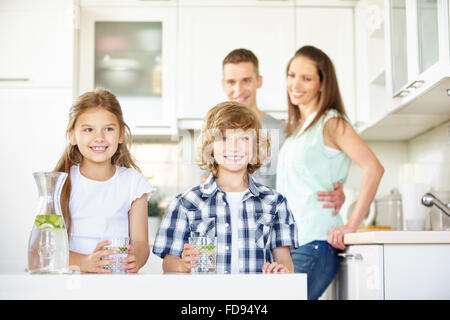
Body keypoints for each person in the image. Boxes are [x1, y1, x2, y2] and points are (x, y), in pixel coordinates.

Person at [276, 46, 385, 299]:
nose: (295, 84)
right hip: (294, 244)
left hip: (315, 243)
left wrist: (351, 224)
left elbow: (374, 167)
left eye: (306, 78)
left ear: (322, 84)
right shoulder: (298, 129)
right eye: (291, 75)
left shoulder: (331, 122)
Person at [153, 101, 298, 274]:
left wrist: (280, 270)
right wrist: (183, 265)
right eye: (223, 138)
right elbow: (168, 265)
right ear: (210, 147)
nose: (234, 147)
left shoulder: (275, 203)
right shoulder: (186, 203)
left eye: (244, 138)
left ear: (256, 145)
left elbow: (285, 263)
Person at [201, 48, 345, 215]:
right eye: (231, 82)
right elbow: (206, 188)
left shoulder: (285, 131)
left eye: (246, 80)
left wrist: (336, 192)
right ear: (223, 84)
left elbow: (308, 180)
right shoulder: (213, 132)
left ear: (259, 81)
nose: (238, 89)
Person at [54, 88, 154, 273]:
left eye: (108, 129)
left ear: (121, 134)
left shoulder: (134, 183)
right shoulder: (60, 182)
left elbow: (140, 242)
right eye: (88, 129)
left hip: (117, 279)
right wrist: (85, 262)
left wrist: (136, 260)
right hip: (71, 282)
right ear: (72, 136)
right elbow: (46, 248)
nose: (99, 137)